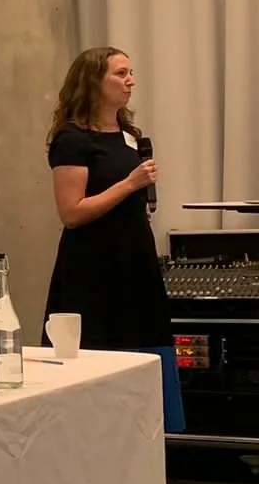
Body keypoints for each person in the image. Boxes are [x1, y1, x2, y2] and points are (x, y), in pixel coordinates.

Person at [41, 45, 171, 350]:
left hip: (134, 257)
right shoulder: (72, 140)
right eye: (121, 73)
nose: (131, 81)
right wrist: (129, 184)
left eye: (131, 73)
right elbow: (71, 213)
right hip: (95, 266)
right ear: (94, 82)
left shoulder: (129, 134)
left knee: (146, 345)